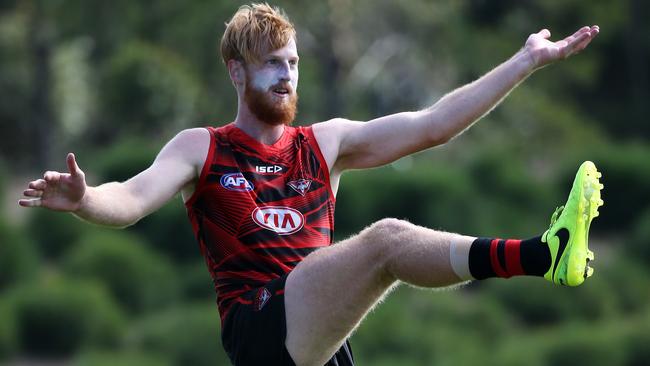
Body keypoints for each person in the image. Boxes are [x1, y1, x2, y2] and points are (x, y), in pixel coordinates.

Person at [19, 3, 603, 366]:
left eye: (293, 63)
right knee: (385, 241)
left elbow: (433, 126)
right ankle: (542, 254)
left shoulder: (325, 143)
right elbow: (132, 198)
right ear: (237, 71)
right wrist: (86, 200)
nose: (286, 75)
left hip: (319, 345)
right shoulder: (202, 147)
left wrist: (524, 62)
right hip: (259, 330)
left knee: (381, 250)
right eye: (273, 63)